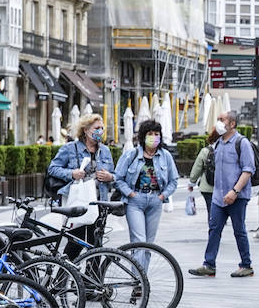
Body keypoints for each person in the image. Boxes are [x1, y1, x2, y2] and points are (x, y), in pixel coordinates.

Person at [189, 111, 255, 278]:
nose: (218, 122)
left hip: (237, 196)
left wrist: (235, 191)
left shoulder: (242, 143)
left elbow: (248, 170)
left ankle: (246, 265)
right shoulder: (218, 143)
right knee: (214, 229)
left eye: (222, 120)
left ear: (232, 124)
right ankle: (209, 264)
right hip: (218, 196)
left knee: (239, 230)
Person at [114, 119, 179, 268]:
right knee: (139, 241)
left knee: (149, 244)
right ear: (143, 136)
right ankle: (137, 282)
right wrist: (130, 194)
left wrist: (162, 196)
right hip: (135, 201)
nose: (154, 137)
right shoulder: (132, 154)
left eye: (157, 134)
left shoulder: (165, 156)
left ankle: (143, 279)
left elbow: (173, 180)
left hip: (156, 200)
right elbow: (118, 177)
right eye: (150, 133)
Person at [47, 114, 115, 202]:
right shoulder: (69, 148)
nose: (100, 131)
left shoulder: (105, 150)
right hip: (75, 200)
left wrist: (110, 177)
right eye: (97, 128)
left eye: (102, 128)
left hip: (101, 202)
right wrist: (71, 173)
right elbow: (52, 169)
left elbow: (115, 176)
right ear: (85, 130)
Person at [188, 128, 220, 215]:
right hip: (224, 187)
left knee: (211, 209)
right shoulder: (227, 150)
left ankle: (213, 224)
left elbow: (197, 168)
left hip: (207, 187)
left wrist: (191, 182)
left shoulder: (205, 151)